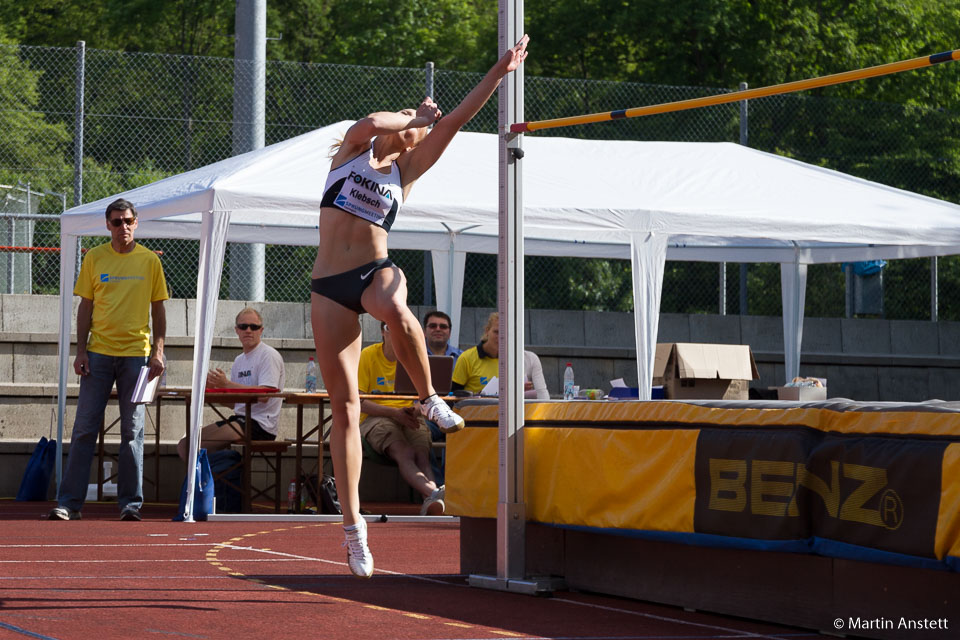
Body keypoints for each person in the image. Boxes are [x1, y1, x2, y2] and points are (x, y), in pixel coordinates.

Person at [309, 35, 530, 578]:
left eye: (415, 132)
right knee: (345, 409)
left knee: (394, 301)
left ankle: (430, 397)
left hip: (372, 272)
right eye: (412, 128)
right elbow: (369, 121)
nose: (417, 133)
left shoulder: (402, 173)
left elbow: (454, 121)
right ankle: (354, 528)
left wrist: (498, 73)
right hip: (328, 286)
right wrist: (411, 112)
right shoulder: (353, 152)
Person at [49, 198, 168, 522]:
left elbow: (159, 309)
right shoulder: (95, 257)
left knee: (133, 431)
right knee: (85, 428)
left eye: (128, 221)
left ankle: (130, 504)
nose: (123, 227)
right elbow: (85, 306)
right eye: (116, 222)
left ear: (136, 223)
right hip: (98, 354)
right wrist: (82, 350)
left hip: (138, 357)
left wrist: (158, 351)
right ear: (107, 225)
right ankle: (69, 503)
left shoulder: (149, 261)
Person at [176, 308, 285, 461]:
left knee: (194, 448)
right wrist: (214, 389)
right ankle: (221, 475)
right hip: (240, 419)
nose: (248, 330)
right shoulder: (239, 360)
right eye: (243, 327)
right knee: (184, 445)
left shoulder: (268, 355)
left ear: (261, 330)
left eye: (253, 327)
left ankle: (221, 475)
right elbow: (234, 404)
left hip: (261, 425)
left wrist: (226, 384)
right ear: (236, 330)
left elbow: (265, 395)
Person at [358, 323, 445, 515]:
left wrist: (415, 409)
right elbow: (359, 401)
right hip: (375, 417)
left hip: (409, 416)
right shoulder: (368, 355)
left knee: (422, 454)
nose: (397, 333)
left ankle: (431, 500)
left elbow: (427, 396)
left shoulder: (413, 357)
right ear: (382, 332)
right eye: (391, 328)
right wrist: (394, 413)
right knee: (404, 452)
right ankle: (435, 493)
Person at [452, 312, 550, 399]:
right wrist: (477, 396)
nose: (501, 337)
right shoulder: (467, 358)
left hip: (509, 416)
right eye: (496, 332)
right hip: (475, 415)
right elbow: (454, 395)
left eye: (506, 333)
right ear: (487, 331)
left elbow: (542, 394)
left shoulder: (520, 359)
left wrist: (517, 390)